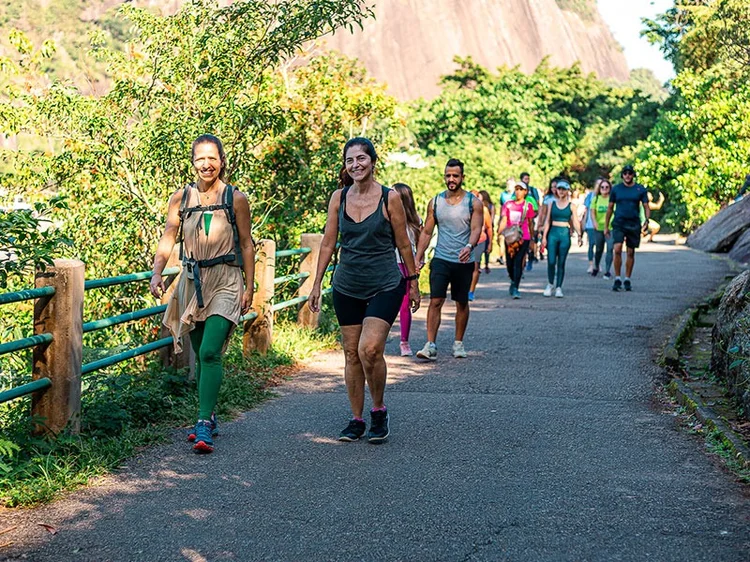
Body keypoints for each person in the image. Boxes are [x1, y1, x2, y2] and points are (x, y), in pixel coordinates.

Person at [308, 138, 420, 444]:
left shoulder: (390, 197)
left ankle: (378, 410)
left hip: (385, 283)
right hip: (347, 285)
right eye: (349, 160)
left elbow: (403, 243)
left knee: (369, 349)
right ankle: (357, 419)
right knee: (351, 353)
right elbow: (329, 242)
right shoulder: (339, 198)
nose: (355, 165)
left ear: (372, 161)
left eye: (361, 159)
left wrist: (412, 282)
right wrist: (317, 283)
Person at [150, 134, 256, 454]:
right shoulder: (180, 198)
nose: (206, 164)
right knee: (199, 354)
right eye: (200, 158)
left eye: (212, 158)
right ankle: (207, 414)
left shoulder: (235, 198)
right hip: (192, 279)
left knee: (210, 352)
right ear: (193, 162)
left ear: (222, 161)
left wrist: (249, 287)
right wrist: (158, 272)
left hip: (226, 278)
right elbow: (169, 238)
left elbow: (248, 243)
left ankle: (203, 423)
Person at [415, 158, 483, 360]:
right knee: (436, 300)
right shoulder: (435, 202)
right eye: (448, 175)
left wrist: (469, 246)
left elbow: (476, 229)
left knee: (461, 302)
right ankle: (430, 344)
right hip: (441, 258)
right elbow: (427, 232)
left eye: (455, 175)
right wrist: (418, 257)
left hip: (463, 260)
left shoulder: (473, 202)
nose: (451, 179)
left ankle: (458, 343)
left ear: (462, 177)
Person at [604, 164, 650, 292]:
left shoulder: (640, 189)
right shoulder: (616, 189)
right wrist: (606, 226)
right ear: (622, 175)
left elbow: (646, 206)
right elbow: (610, 208)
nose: (627, 175)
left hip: (634, 223)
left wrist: (646, 220)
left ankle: (627, 278)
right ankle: (617, 277)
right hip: (619, 222)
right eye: (625, 173)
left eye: (630, 173)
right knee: (617, 249)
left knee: (630, 251)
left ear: (633, 175)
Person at [393, 183, 422, 356]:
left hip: (407, 267)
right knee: (387, 305)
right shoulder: (387, 218)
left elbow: (419, 246)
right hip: (390, 264)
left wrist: (418, 264)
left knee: (405, 305)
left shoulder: (414, 223)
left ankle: (404, 341)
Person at [541, 179, 582, 298]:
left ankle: (559, 286)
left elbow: (575, 220)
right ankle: (550, 284)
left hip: (564, 233)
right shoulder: (551, 204)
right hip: (553, 233)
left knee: (561, 262)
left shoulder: (571, 206)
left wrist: (579, 234)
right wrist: (544, 236)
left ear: (568, 191)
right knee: (551, 260)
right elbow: (547, 220)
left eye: (563, 189)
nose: (561, 191)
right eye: (559, 189)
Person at [497, 181, 535, 298]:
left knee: (518, 262)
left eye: (521, 189)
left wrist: (532, 238)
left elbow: (530, 223)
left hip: (523, 237)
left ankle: (516, 287)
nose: (518, 192)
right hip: (510, 237)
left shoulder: (527, 206)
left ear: (525, 192)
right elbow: (504, 219)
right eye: (516, 189)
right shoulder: (508, 205)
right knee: (510, 262)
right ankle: (513, 280)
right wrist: (499, 233)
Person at [468, 190, 493, 301]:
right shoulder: (463, 209)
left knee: (475, 266)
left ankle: (471, 291)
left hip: (480, 240)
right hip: (465, 240)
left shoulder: (484, 210)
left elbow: (489, 227)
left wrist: (490, 243)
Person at [589, 177, 614, 279]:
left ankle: (607, 270)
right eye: (602, 187)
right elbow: (592, 212)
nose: (604, 189)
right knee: (599, 248)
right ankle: (596, 266)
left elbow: (614, 212)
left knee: (610, 248)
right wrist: (594, 222)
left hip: (610, 228)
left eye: (606, 187)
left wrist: (608, 226)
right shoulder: (596, 199)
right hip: (598, 227)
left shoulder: (612, 199)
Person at [520, 172, 540, 271]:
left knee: (530, 241)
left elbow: (537, 207)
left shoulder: (532, 194)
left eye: (528, 179)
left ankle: (531, 258)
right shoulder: (514, 196)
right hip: (517, 225)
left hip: (529, 223)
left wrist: (530, 216)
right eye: (525, 179)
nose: (527, 181)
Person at [536, 178, 558, 261]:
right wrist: (540, 223)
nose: (554, 189)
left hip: (558, 223)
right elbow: (543, 212)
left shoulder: (563, 198)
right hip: (548, 223)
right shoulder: (548, 198)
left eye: (556, 187)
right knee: (550, 243)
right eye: (552, 187)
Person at [478, 189, 496, 273]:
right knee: (482, 247)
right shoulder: (478, 206)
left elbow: (492, 217)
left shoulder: (489, 206)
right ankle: (481, 263)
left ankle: (486, 263)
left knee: (487, 247)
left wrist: (490, 224)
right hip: (483, 227)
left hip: (487, 227)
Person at [582, 183, 597, 274]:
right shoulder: (590, 196)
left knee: (599, 246)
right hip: (590, 224)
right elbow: (586, 209)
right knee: (591, 244)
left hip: (603, 225)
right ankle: (591, 264)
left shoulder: (607, 195)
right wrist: (584, 221)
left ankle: (597, 263)